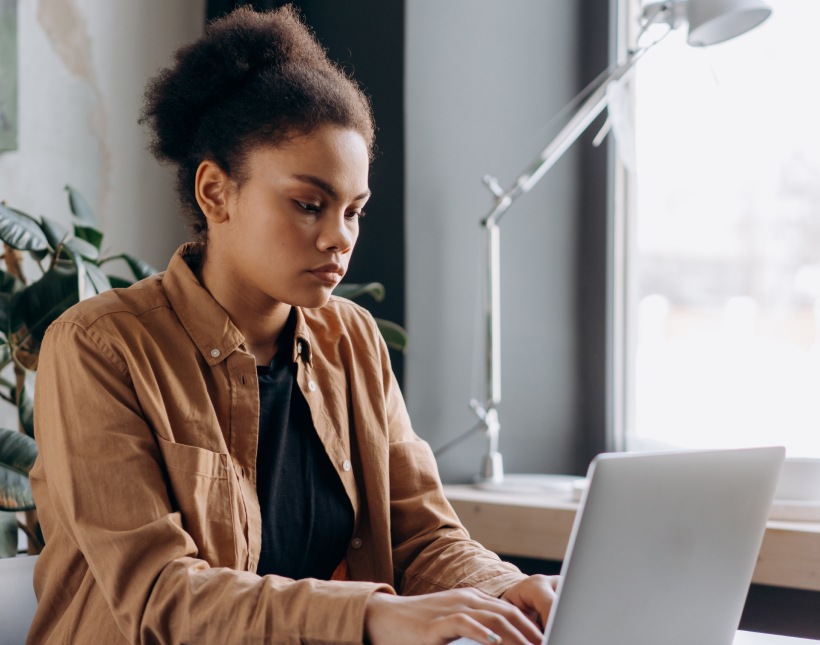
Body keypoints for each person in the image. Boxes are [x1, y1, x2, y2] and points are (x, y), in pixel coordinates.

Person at [28, 6, 557, 644]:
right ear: (215, 192)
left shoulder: (353, 341)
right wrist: (367, 615)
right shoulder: (99, 348)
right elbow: (160, 594)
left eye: (354, 210)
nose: (340, 238)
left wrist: (505, 587)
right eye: (309, 205)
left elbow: (421, 536)